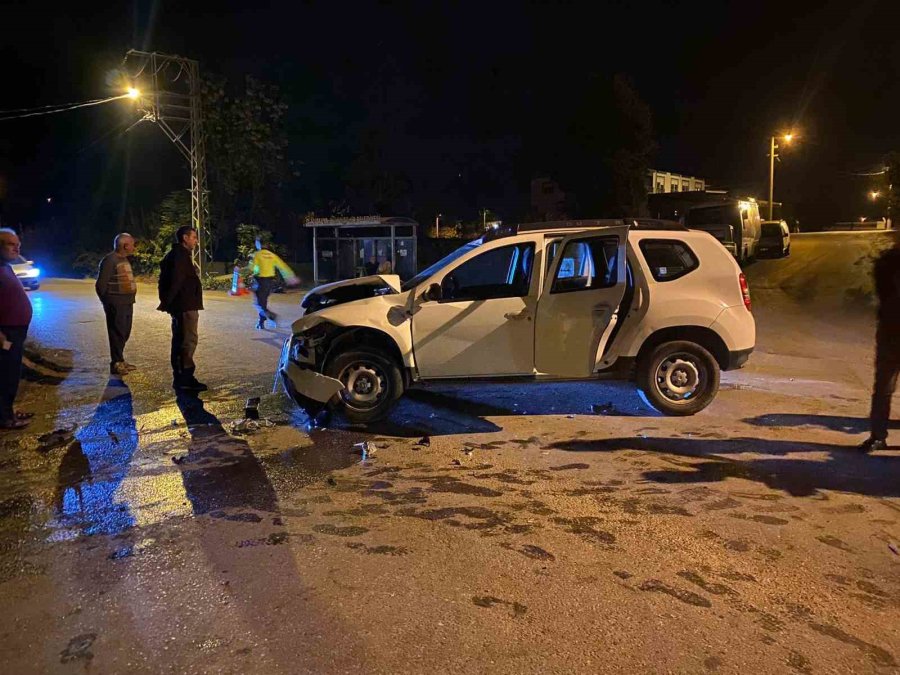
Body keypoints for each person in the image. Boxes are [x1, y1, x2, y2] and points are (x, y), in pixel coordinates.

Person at [859, 232, 900, 452]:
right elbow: (885, 294)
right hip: (891, 332)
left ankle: (877, 435)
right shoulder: (888, 262)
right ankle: (878, 435)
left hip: (890, 330)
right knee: (883, 388)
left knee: (883, 388)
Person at [158, 226, 207, 392]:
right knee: (187, 341)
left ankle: (181, 377)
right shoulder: (179, 256)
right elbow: (176, 281)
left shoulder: (178, 255)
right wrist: (167, 302)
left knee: (181, 340)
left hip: (183, 305)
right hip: (185, 306)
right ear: (185, 238)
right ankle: (185, 378)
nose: (196, 241)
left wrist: (167, 302)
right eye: (194, 237)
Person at [0, 228, 33, 430]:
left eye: (18, 244)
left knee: (12, 373)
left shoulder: (6, 267)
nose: (17, 247)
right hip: (5, 334)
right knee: (5, 375)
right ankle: (4, 418)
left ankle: (8, 410)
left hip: (15, 331)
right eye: (11, 244)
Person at [96, 233, 138, 376]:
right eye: (132, 244)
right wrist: (107, 303)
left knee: (124, 332)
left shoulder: (124, 259)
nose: (134, 247)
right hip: (116, 303)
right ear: (125, 246)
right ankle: (116, 363)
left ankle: (120, 359)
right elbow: (101, 285)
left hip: (127, 302)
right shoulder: (110, 260)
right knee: (116, 333)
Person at [248, 238, 298, 330]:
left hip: (260, 281)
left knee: (258, 304)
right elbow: (282, 266)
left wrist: (252, 267)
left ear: (258, 245)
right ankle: (261, 322)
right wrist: (290, 277)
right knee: (262, 302)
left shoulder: (257, 255)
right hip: (269, 282)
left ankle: (271, 316)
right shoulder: (272, 255)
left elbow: (253, 268)